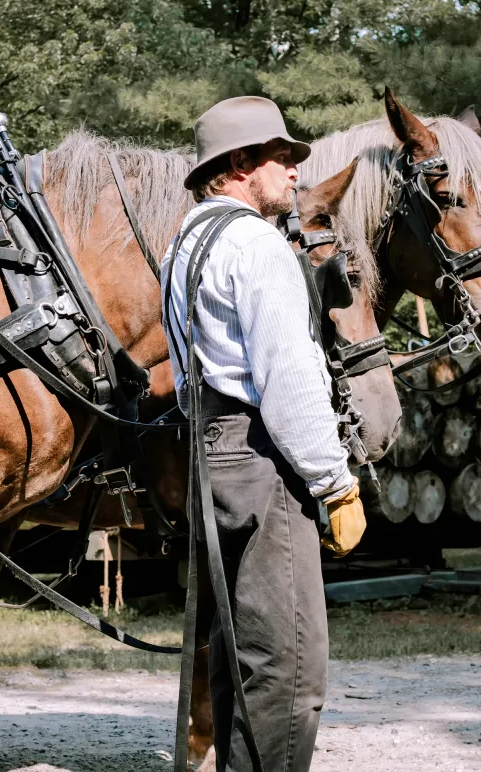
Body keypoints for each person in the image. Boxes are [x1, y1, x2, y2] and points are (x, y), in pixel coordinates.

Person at [161, 95, 366, 771]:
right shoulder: (258, 246)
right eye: (282, 157)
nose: (294, 171)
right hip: (261, 460)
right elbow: (290, 379)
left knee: (236, 655)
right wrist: (335, 484)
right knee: (286, 668)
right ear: (240, 165)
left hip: (208, 456)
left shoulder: (184, 247)